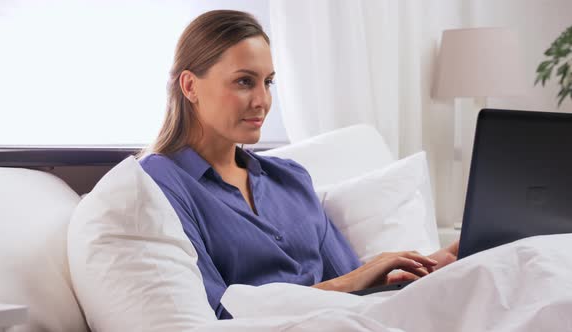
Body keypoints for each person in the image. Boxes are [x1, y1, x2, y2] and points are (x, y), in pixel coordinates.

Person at [139, 10, 459, 320]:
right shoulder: (161, 182)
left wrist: (423, 270)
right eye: (244, 82)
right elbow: (218, 314)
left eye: (268, 82)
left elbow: (354, 282)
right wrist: (350, 283)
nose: (262, 100)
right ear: (190, 86)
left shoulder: (291, 179)